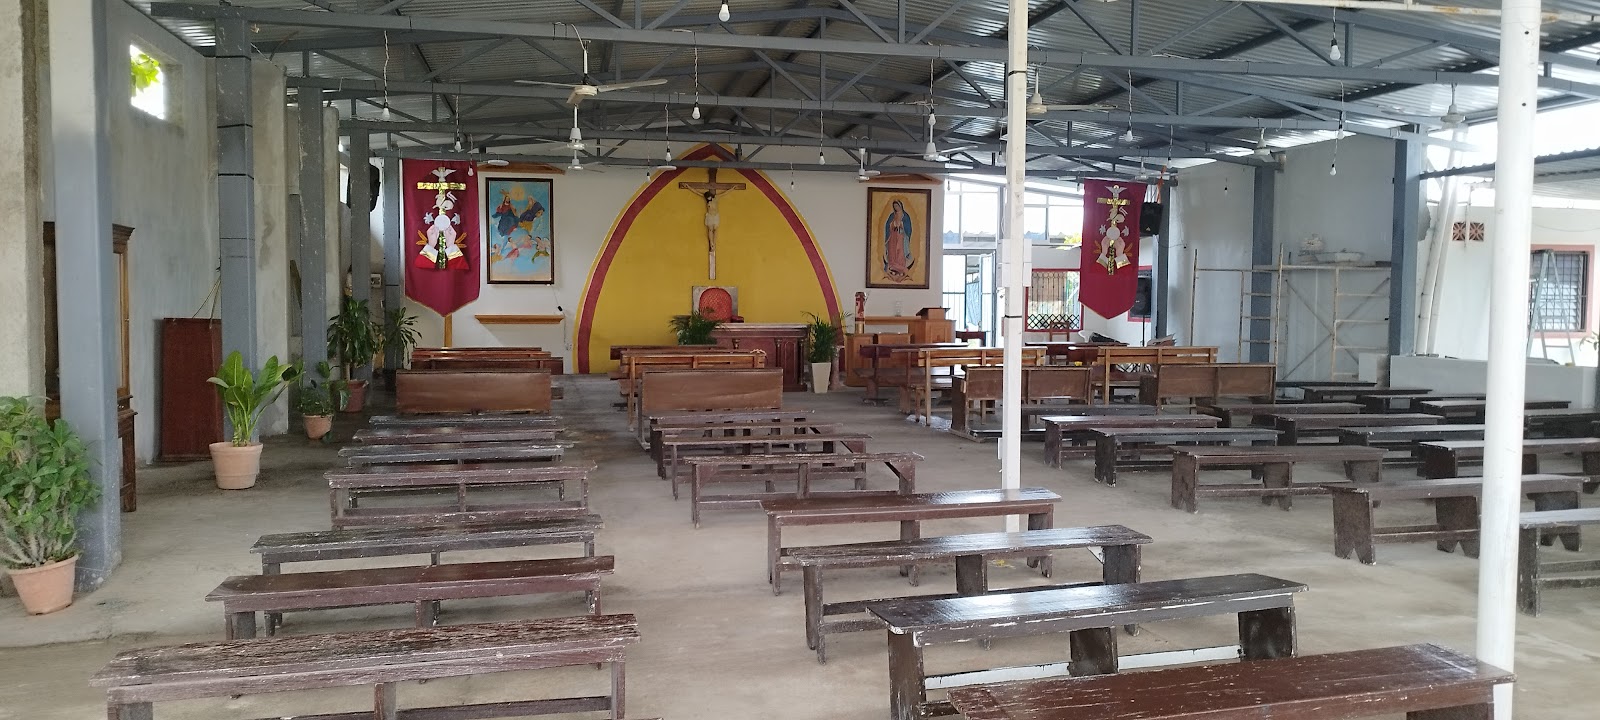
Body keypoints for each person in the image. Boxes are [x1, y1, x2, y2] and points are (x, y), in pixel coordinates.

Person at [883, 199, 915, 280]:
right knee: (892, 251)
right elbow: (887, 226)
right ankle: (894, 266)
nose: (896, 207)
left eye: (897, 206)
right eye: (894, 206)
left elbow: (908, 228)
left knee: (900, 251)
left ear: (900, 206)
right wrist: (892, 224)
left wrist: (901, 224)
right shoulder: (892, 216)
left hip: (901, 236)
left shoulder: (905, 216)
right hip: (892, 236)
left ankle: (900, 267)